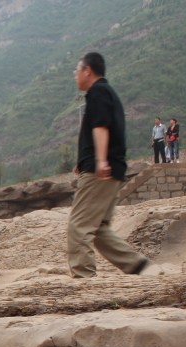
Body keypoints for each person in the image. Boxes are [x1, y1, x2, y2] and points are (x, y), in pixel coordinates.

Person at [67, 52, 150, 279]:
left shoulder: (98, 92)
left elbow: (101, 126)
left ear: (87, 71)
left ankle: (83, 277)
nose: (75, 76)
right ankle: (135, 263)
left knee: (79, 226)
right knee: (99, 227)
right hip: (111, 168)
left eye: (77, 70)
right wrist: (83, 161)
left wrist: (100, 160)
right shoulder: (106, 93)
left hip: (100, 171)